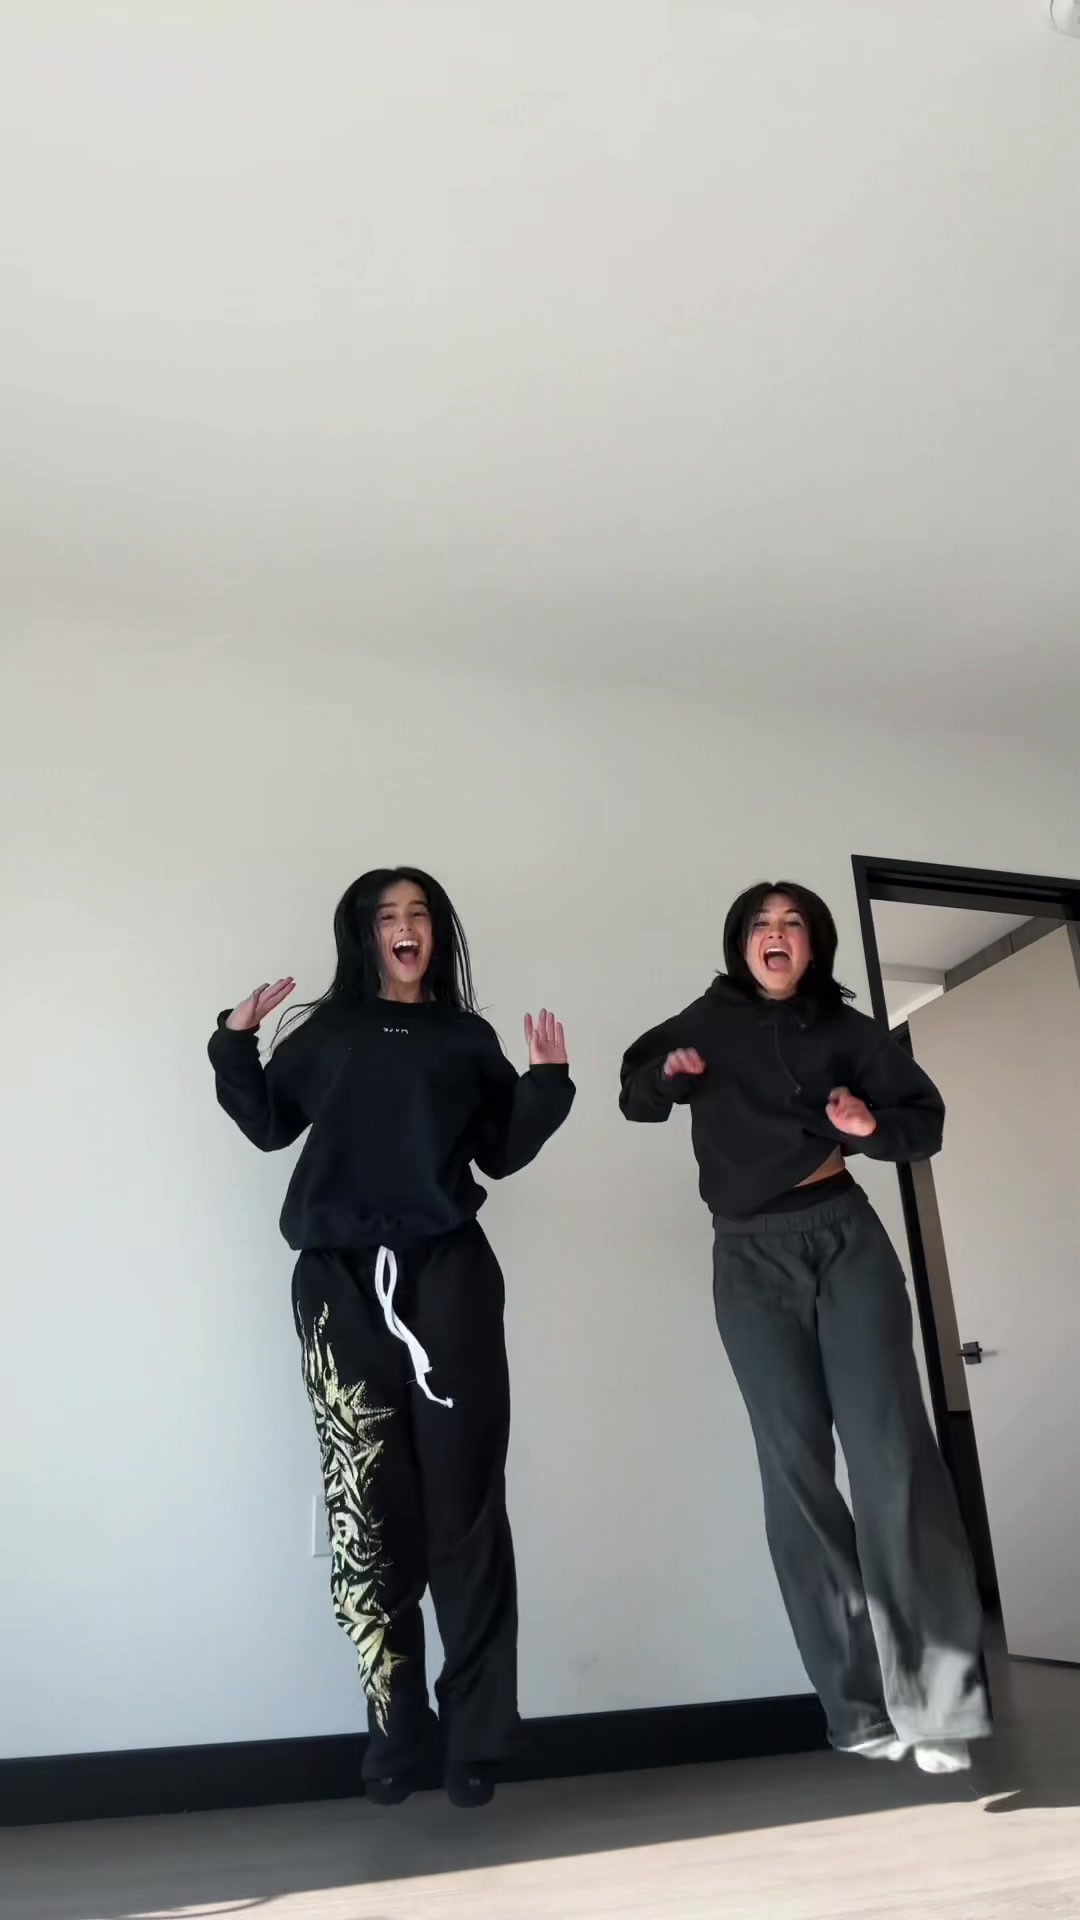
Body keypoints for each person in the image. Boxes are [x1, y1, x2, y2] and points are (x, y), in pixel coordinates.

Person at [209, 867, 574, 1808]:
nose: (404, 928)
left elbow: (501, 1150)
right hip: (336, 1284)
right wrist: (233, 1043)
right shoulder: (326, 1033)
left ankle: (477, 1740)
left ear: (437, 933)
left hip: (448, 1278)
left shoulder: (464, 1037)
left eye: (419, 914)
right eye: (386, 916)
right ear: (363, 935)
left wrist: (547, 1084)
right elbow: (267, 1126)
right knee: (368, 1514)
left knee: (466, 1508)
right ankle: (396, 1736)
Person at [619, 880, 990, 1775]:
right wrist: (669, 1079)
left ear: (815, 945)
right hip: (748, 1259)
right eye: (761, 923)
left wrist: (867, 1127)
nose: (775, 934)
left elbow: (923, 1122)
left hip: (845, 1239)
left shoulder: (848, 1031)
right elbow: (636, 1091)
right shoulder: (703, 1022)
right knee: (795, 1475)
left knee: (892, 1459)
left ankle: (936, 1704)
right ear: (741, 942)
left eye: (793, 924)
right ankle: (855, 1707)